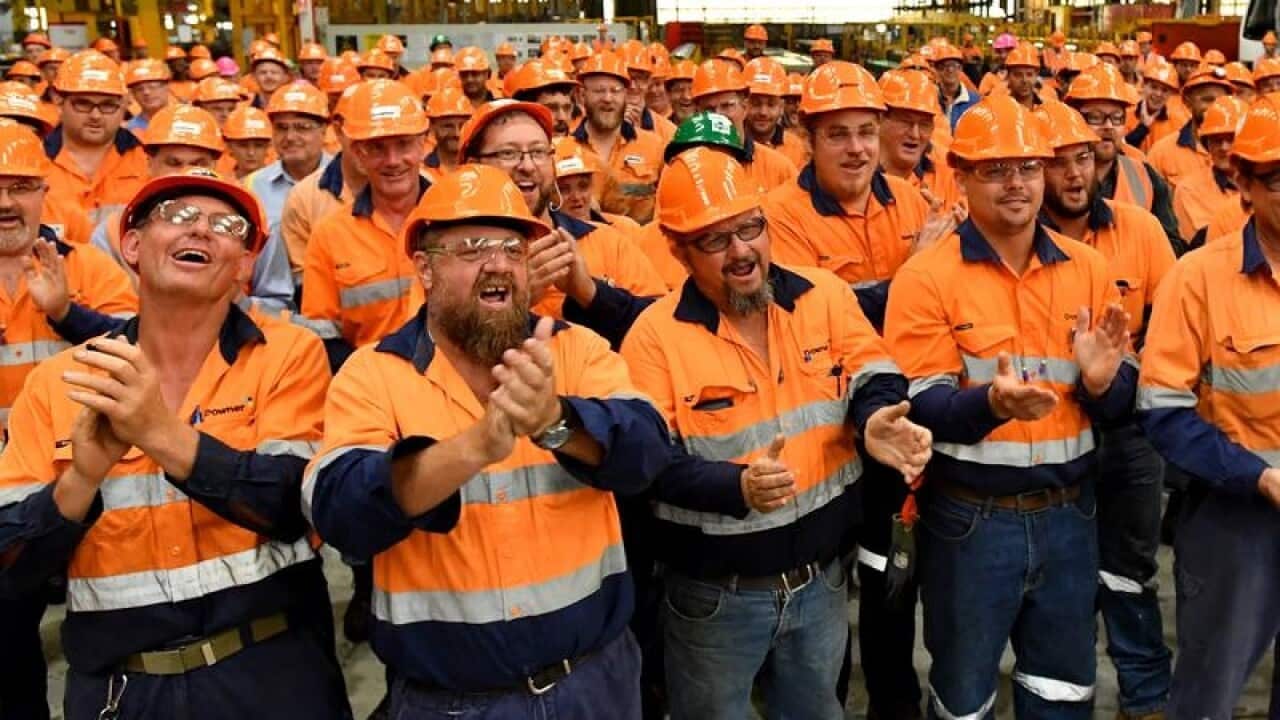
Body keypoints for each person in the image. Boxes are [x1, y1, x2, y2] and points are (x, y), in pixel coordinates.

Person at [303, 163, 670, 720]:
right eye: (473, 248)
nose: (498, 263)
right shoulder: (371, 375)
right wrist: (473, 447)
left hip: (594, 685)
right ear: (424, 268)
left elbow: (647, 453)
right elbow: (342, 512)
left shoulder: (578, 351)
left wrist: (556, 420)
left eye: (512, 249)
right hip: (449, 702)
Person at [0, 166, 351, 720]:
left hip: (270, 677)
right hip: (123, 689)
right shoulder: (60, 382)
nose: (201, 231)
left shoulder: (291, 355)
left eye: (227, 225)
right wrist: (82, 479)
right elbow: (10, 566)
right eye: (179, 216)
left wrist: (157, 433)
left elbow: (293, 504)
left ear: (246, 263)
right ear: (132, 245)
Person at [621, 144, 931, 718]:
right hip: (714, 600)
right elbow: (650, 463)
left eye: (750, 228)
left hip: (820, 585)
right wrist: (733, 488)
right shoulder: (653, 338)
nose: (742, 251)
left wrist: (874, 418)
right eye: (715, 239)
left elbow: (875, 370)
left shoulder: (824, 296)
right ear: (677, 250)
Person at [884, 94, 1136, 718]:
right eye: (994, 170)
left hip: (1069, 520)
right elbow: (920, 405)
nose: (1016, 184)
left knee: (1063, 690)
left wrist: (1105, 385)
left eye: (1027, 166)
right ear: (961, 175)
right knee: (964, 694)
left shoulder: (1089, 269)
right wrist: (991, 406)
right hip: (971, 524)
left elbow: (1124, 407)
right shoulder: (926, 278)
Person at [1136, 92, 1280, 718]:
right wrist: (1259, 476)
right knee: (1210, 689)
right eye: (1277, 181)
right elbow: (1163, 412)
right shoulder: (1197, 278)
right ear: (1243, 183)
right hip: (1236, 516)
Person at [1035, 99, 1177, 719]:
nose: (1073, 174)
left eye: (1085, 159)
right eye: (1058, 162)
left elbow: (1174, 328)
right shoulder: (1015, 240)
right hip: (1046, 431)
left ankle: (1144, 698)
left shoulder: (1139, 230)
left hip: (1127, 431)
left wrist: (1121, 373)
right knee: (1059, 578)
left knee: (1128, 571)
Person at [0, 119, 137, 720]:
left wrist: (66, 315)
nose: (6, 202)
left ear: (43, 193)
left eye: (22, 186)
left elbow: (147, 351)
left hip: (76, 482)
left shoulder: (91, 271)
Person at [763, 61, 957, 331]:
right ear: (808, 141)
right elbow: (814, 315)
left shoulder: (908, 198)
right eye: (838, 135)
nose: (856, 148)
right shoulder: (780, 215)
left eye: (866, 133)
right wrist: (912, 274)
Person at [459, 99, 666, 332]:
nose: (527, 165)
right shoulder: (452, 255)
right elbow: (432, 349)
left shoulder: (606, 242)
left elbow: (662, 330)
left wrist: (591, 293)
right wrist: (515, 303)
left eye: (538, 152)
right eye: (509, 153)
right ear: (473, 166)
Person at [301, 79, 428, 368]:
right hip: (367, 390)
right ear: (359, 154)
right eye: (377, 148)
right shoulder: (330, 235)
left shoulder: (456, 218)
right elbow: (324, 336)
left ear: (423, 145)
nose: (393, 160)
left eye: (404, 144)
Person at [1064, 64, 1183, 253]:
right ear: (1074, 120)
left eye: (1117, 117)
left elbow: (1171, 246)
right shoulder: (1052, 177)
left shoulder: (1146, 177)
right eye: (1095, 117)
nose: (1109, 126)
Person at [245, 80, 333, 308]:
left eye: (302, 127)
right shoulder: (253, 186)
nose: (290, 136)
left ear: (323, 131)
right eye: (282, 128)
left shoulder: (344, 180)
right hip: (272, 306)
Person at [44, 51, 150, 226]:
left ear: (124, 104)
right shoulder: (35, 161)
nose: (95, 115)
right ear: (58, 100)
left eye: (108, 105)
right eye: (83, 103)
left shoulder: (148, 157)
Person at [571, 53, 665, 224]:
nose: (608, 98)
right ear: (582, 96)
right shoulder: (564, 149)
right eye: (599, 91)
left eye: (615, 91)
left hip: (639, 247)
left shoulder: (655, 147)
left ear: (625, 95)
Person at [691, 60, 797, 192]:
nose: (718, 116)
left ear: (745, 107)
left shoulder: (780, 169)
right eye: (709, 109)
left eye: (727, 106)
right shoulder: (685, 168)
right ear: (697, 114)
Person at [878, 69, 963, 214]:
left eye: (924, 124)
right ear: (879, 120)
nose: (915, 134)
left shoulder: (947, 177)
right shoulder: (858, 181)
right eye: (905, 122)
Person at [1146, 66, 1233, 190]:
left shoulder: (1239, 153)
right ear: (1187, 101)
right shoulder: (1161, 153)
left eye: (1221, 101)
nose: (1215, 107)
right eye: (1207, 100)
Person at [1174, 96, 1245, 241]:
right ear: (1207, 144)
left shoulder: (1266, 185)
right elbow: (1210, 244)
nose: (1224, 147)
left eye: (1231, 139)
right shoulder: (1190, 189)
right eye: (1216, 140)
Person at [743, 57, 810, 169]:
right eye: (756, 104)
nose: (763, 112)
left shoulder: (796, 147)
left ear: (781, 107)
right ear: (743, 104)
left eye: (771, 105)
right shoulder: (730, 144)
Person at [507, 59, 580, 138]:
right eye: (551, 108)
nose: (562, 117)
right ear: (524, 112)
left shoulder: (581, 148)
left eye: (567, 108)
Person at [1126, 61, 1188, 154]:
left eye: (1164, 90)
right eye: (1154, 87)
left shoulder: (1179, 122)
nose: (1158, 94)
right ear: (1143, 86)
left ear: (1170, 94)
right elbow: (1119, 153)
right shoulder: (1126, 116)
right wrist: (1142, 128)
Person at [422, 87, 473, 182]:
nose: (457, 134)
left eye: (462, 126)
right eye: (448, 126)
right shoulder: (422, 175)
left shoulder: (481, 167)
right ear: (432, 126)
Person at [935, 43, 979, 129]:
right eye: (945, 66)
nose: (950, 70)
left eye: (954, 66)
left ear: (961, 69)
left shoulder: (974, 101)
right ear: (937, 70)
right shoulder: (930, 98)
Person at [222, 106, 274, 180]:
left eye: (258, 146)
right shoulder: (221, 185)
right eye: (243, 146)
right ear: (230, 148)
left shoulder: (281, 185)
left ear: (268, 147)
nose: (251, 153)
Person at [666, 60, 698, 125]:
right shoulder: (661, 129)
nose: (687, 97)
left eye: (691, 90)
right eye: (679, 90)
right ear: (668, 94)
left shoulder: (712, 128)